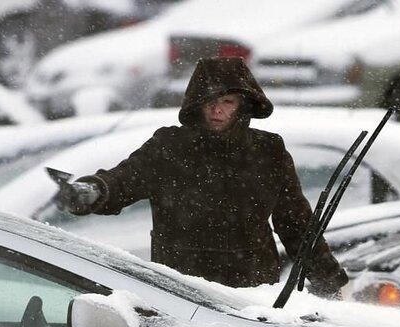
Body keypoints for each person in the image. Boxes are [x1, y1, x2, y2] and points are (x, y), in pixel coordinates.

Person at [58, 57, 348, 296]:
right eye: (210, 101)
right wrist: (94, 191)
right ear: (197, 104)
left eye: (227, 101)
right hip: (178, 288)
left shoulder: (268, 151)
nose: (218, 109)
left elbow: (296, 223)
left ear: (243, 105)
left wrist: (326, 278)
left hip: (252, 292)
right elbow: (124, 179)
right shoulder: (169, 147)